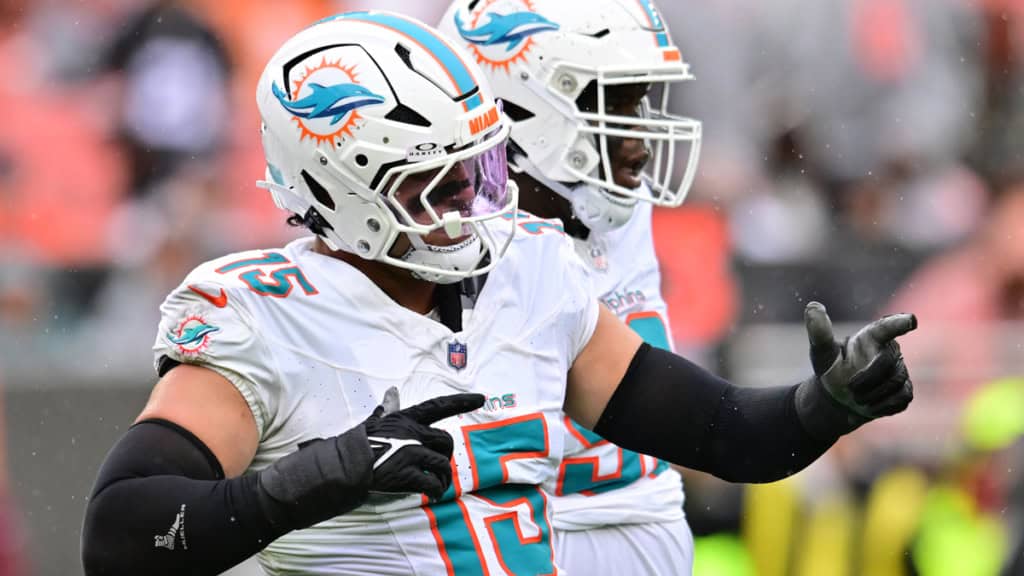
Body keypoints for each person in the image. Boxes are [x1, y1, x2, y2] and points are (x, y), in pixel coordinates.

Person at [81, 11, 918, 576]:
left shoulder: (531, 275)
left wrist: (827, 405)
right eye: (434, 185)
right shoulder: (264, 314)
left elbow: (726, 435)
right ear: (339, 188)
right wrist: (299, 485)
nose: (472, 207)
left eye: (477, 171)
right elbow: (120, 533)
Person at [435, 0, 700, 573]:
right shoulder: (439, 249)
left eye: (639, 103)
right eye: (610, 104)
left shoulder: (622, 208)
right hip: (525, 544)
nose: (640, 143)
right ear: (518, 107)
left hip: (647, 530)